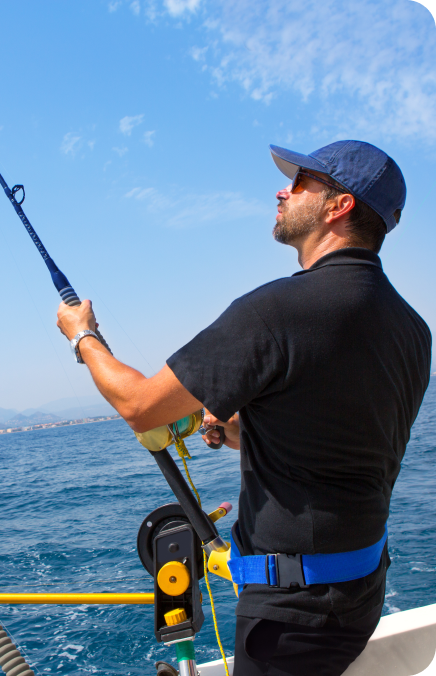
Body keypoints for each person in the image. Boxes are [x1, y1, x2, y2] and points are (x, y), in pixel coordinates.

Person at [57, 140, 432, 676]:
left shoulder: (276, 310)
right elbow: (339, 433)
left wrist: (83, 336)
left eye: (301, 182)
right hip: (364, 588)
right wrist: (240, 428)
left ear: (339, 206)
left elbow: (140, 407)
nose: (283, 189)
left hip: (292, 618)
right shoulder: (413, 330)